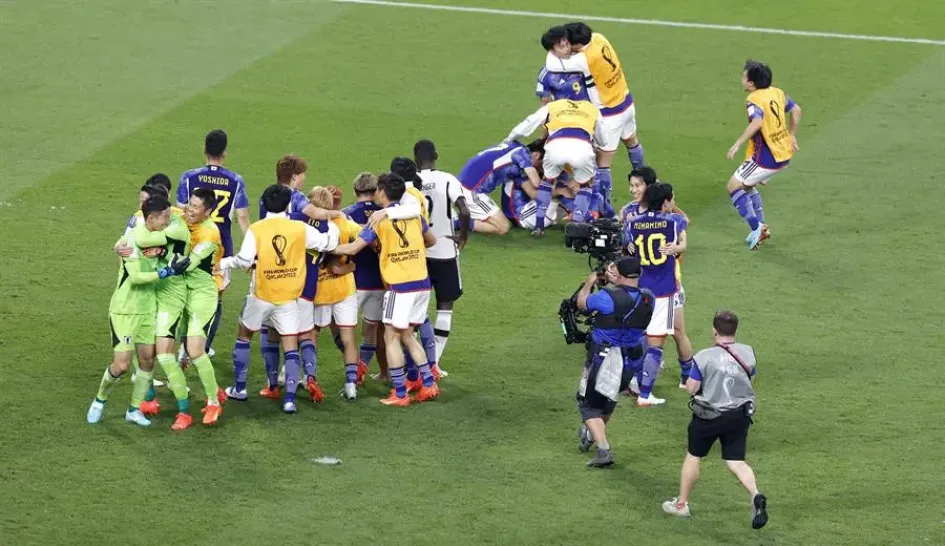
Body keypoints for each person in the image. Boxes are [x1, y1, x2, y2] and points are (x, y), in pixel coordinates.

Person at [219, 184, 339, 414]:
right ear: (287, 205)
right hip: (289, 298)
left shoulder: (257, 228)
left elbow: (245, 260)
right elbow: (328, 243)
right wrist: (332, 225)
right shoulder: (299, 228)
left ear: (264, 204)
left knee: (244, 335)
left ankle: (240, 388)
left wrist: (225, 263)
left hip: (261, 295)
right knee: (290, 345)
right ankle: (290, 400)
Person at [332, 173, 439, 407]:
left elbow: (353, 248)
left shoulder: (378, 221)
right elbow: (431, 241)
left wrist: (325, 246)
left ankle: (400, 393)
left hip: (399, 287)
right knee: (408, 336)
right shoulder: (415, 217)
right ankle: (429, 384)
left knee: (390, 336)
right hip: (422, 283)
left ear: (381, 191)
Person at [87, 196, 190, 426]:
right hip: (125, 311)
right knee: (122, 365)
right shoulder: (131, 241)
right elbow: (135, 277)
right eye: (165, 216)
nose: (168, 219)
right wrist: (166, 273)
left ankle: (133, 410)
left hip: (147, 310)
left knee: (147, 362)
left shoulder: (159, 238)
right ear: (151, 218)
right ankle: (100, 399)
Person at [662, 310, 768, 530]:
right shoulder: (748, 352)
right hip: (740, 414)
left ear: (714, 330)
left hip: (709, 416)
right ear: (735, 330)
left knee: (693, 456)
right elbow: (751, 378)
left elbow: (692, 387)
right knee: (736, 461)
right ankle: (755, 494)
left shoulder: (704, 357)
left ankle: (681, 504)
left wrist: (688, 387)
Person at [544, 22, 645, 214]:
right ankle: (648, 182)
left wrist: (555, 47)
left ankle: (603, 210)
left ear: (576, 45)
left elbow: (552, 62)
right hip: (626, 101)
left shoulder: (583, 59)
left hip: (609, 113)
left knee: (602, 163)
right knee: (631, 141)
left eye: (567, 42)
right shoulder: (599, 38)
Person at [574, 256, 654, 467]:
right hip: (633, 359)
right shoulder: (648, 297)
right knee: (608, 399)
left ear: (619, 274)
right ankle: (592, 436)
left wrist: (590, 282)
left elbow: (582, 302)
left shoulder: (606, 297)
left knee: (588, 405)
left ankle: (603, 450)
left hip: (606, 358)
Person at [177, 130, 250, 354]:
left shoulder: (189, 177)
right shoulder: (235, 180)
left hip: (192, 242)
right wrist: (251, 250)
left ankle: (183, 345)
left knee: (186, 292)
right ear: (225, 153)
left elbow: (181, 212)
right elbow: (243, 217)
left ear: (204, 149)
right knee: (215, 297)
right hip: (221, 248)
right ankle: (202, 346)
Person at [725, 60, 802, 250]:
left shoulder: (753, 100)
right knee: (747, 185)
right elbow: (796, 110)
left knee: (733, 186)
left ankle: (756, 228)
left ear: (751, 83)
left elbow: (757, 123)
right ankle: (762, 227)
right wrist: (791, 135)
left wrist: (737, 144)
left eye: (744, 77)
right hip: (783, 152)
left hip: (767, 157)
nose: (741, 80)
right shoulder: (777, 92)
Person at [625, 183, 688, 406]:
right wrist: (678, 248)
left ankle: (631, 381)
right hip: (663, 291)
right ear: (665, 202)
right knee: (656, 344)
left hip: (640, 289)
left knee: (638, 337)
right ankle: (645, 394)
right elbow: (683, 241)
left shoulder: (632, 223)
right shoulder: (674, 222)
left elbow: (628, 248)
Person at [415, 139, 471, 376]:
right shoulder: (447, 179)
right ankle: (434, 363)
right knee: (445, 308)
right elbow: (465, 210)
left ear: (415, 158)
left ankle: (416, 361)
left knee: (417, 308)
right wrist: (462, 236)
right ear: (435, 155)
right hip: (445, 251)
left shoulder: (411, 183)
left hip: (418, 253)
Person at [504, 98, 604, 230]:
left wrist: (509, 140)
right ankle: (581, 223)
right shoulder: (592, 108)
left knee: (548, 182)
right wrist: (595, 144)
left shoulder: (553, 106)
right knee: (585, 185)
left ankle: (539, 227)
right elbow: (603, 140)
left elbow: (528, 123)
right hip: (583, 148)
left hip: (555, 146)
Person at [308, 187, 364, 400]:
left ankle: (310, 378)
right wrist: (351, 266)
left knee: (312, 335)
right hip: (345, 289)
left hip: (319, 291)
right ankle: (351, 384)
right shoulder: (347, 225)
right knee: (348, 337)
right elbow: (368, 239)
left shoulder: (307, 226)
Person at [342, 173, 386, 382]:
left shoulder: (346, 214)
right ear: (376, 191)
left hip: (353, 281)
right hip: (380, 281)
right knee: (371, 330)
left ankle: (354, 371)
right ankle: (364, 371)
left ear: (355, 191)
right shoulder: (384, 214)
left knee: (346, 329)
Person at [456, 140, 545, 236]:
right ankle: (455, 222)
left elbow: (533, 193)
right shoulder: (522, 155)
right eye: (542, 164)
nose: (540, 169)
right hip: (471, 190)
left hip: (465, 183)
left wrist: (558, 191)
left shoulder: (514, 149)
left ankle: (467, 216)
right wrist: (555, 184)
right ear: (536, 155)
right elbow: (536, 183)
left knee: (496, 222)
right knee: (503, 227)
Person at [536, 26, 589, 104]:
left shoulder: (583, 58)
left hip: (589, 109)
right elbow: (545, 100)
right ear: (551, 50)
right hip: (566, 113)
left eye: (567, 44)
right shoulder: (547, 73)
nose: (567, 48)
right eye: (561, 47)